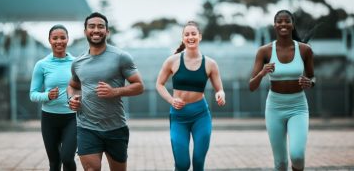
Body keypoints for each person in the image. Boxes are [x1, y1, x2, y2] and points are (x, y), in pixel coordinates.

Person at [67, 12, 144, 171]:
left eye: (100, 26)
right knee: (91, 169)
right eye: (92, 26)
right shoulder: (77, 62)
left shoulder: (121, 57)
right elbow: (73, 86)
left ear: (107, 31)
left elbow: (139, 86)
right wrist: (72, 98)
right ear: (85, 31)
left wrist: (114, 91)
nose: (96, 30)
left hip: (115, 127)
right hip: (86, 127)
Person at [249, 10, 316, 171]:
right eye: (279, 21)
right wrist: (262, 73)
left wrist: (310, 83)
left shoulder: (305, 50)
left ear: (293, 25)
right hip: (275, 107)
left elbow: (313, 77)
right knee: (280, 163)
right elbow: (251, 86)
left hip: (298, 107)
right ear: (275, 25)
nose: (283, 24)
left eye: (287, 21)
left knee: (298, 155)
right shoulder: (264, 51)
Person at [156, 21, 226, 171]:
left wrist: (221, 94)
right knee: (182, 164)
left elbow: (219, 89)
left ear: (200, 37)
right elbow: (159, 84)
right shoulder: (172, 61)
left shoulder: (210, 64)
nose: (190, 37)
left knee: (198, 162)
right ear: (183, 38)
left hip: (200, 115)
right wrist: (171, 99)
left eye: (193, 34)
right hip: (179, 117)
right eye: (187, 34)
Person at [30, 24, 77, 171]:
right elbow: (33, 94)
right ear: (49, 40)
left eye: (63, 37)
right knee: (54, 163)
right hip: (49, 119)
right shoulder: (42, 65)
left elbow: (82, 88)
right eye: (55, 38)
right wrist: (47, 96)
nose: (59, 41)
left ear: (67, 39)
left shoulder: (76, 63)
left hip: (72, 118)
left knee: (67, 158)